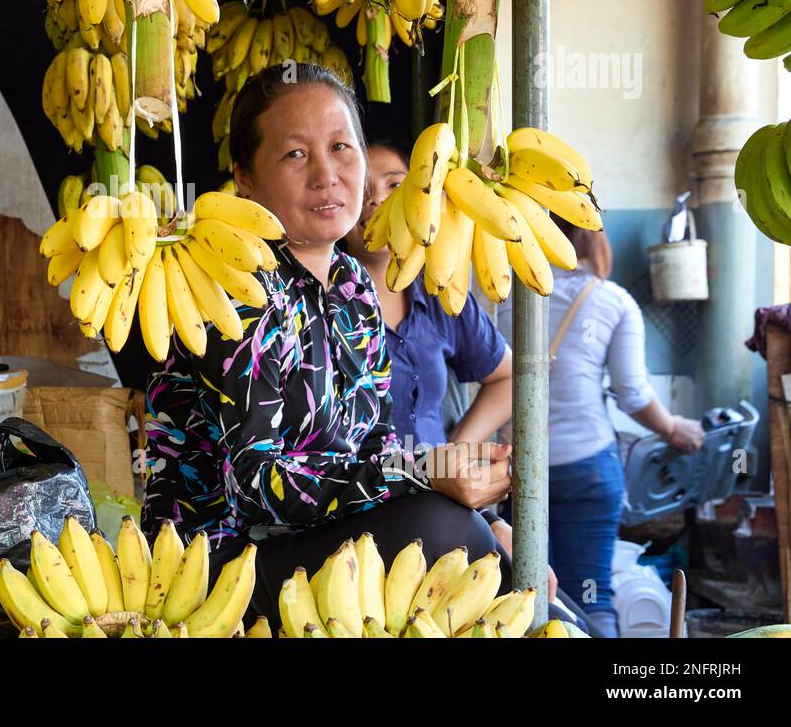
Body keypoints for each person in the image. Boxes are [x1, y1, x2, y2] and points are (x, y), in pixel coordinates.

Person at [142, 63, 512, 629]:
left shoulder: (355, 285)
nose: (327, 175)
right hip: (215, 567)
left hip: (313, 544)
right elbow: (257, 486)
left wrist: (443, 466)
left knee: (479, 542)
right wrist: (418, 475)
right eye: (295, 154)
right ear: (245, 177)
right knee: (446, 532)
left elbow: (374, 445)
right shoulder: (231, 285)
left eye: (341, 147)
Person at [344, 142, 566, 603]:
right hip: (355, 511)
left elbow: (509, 378)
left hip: (447, 499)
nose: (376, 200)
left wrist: (457, 450)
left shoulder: (442, 288)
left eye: (393, 185)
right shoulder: (320, 306)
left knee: (540, 596)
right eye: (362, 188)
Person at [494, 216, 706, 638]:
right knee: (591, 594)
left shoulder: (499, 296)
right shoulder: (611, 300)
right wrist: (674, 428)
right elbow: (632, 392)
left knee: (524, 596)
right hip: (587, 468)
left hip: (510, 469)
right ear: (594, 239)